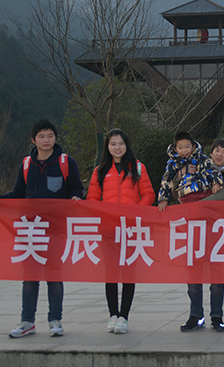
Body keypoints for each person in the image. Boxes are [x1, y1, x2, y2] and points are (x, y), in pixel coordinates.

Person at [0, 120, 84, 338]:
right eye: (41, 136)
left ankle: (55, 320)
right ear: (33, 139)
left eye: (50, 136)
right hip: (31, 229)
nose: (46, 140)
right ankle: (27, 321)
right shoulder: (27, 164)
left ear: (55, 138)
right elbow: (18, 194)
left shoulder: (66, 162)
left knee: (54, 276)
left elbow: (76, 188)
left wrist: (76, 197)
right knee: (30, 277)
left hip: (56, 229)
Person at [86, 129, 155, 335]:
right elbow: (92, 198)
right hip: (108, 230)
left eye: (121, 143)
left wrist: (134, 212)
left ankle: (124, 316)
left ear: (127, 145)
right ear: (107, 147)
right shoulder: (100, 170)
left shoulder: (138, 168)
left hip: (131, 229)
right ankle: (113, 315)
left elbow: (148, 194)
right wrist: (103, 214)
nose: (117, 148)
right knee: (110, 273)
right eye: (113, 144)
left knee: (128, 273)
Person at [156, 132, 224, 331]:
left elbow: (213, 171)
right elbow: (166, 181)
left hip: (208, 213)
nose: (184, 150)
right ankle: (196, 315)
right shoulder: (172, 164)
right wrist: (163, 199)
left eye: (187, 146)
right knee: (193, 269)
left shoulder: (204, 159)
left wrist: (217, 183)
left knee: (216, 270)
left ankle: (217, 316)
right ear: (175, 149)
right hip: (187, 212)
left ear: (194, 146)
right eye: (180, 147)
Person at [177, 138, 224, 333]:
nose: (219, 154)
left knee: (217, 277)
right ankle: (195, 315)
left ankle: (217, 316)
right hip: (194, 227)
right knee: (193, 275)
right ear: (210, 152)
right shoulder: (196, 168)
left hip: (218, 230)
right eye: (217, 151)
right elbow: (179, 190)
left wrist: (199, 204)